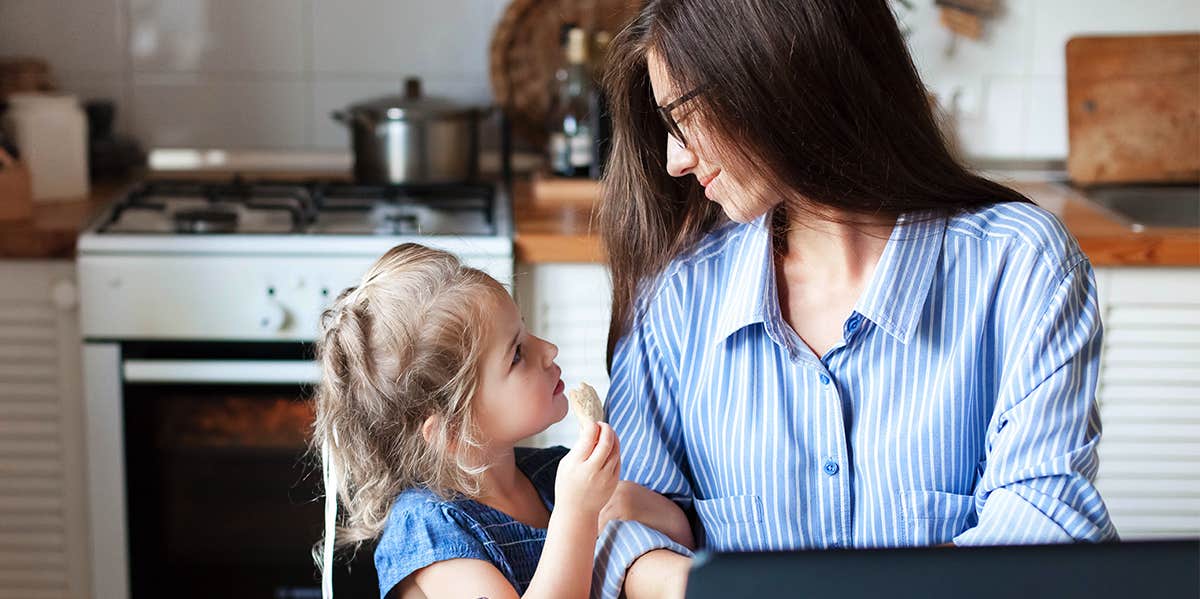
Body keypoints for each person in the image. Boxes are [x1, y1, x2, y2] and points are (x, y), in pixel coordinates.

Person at [590, 1, 1119, 597]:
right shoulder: (677, 294)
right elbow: (619, 529)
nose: (675, 160)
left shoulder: (1020, 265)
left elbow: (1046, 534)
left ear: (779, 79)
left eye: (686, 118)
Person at [309, 243, 691, 599]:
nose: (549, 349)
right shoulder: (430, 531)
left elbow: (682, 536)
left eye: (525, 329)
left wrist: (626, 500)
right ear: (451, 429)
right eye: (517, 354)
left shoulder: (551, 474)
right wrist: (578, 513)